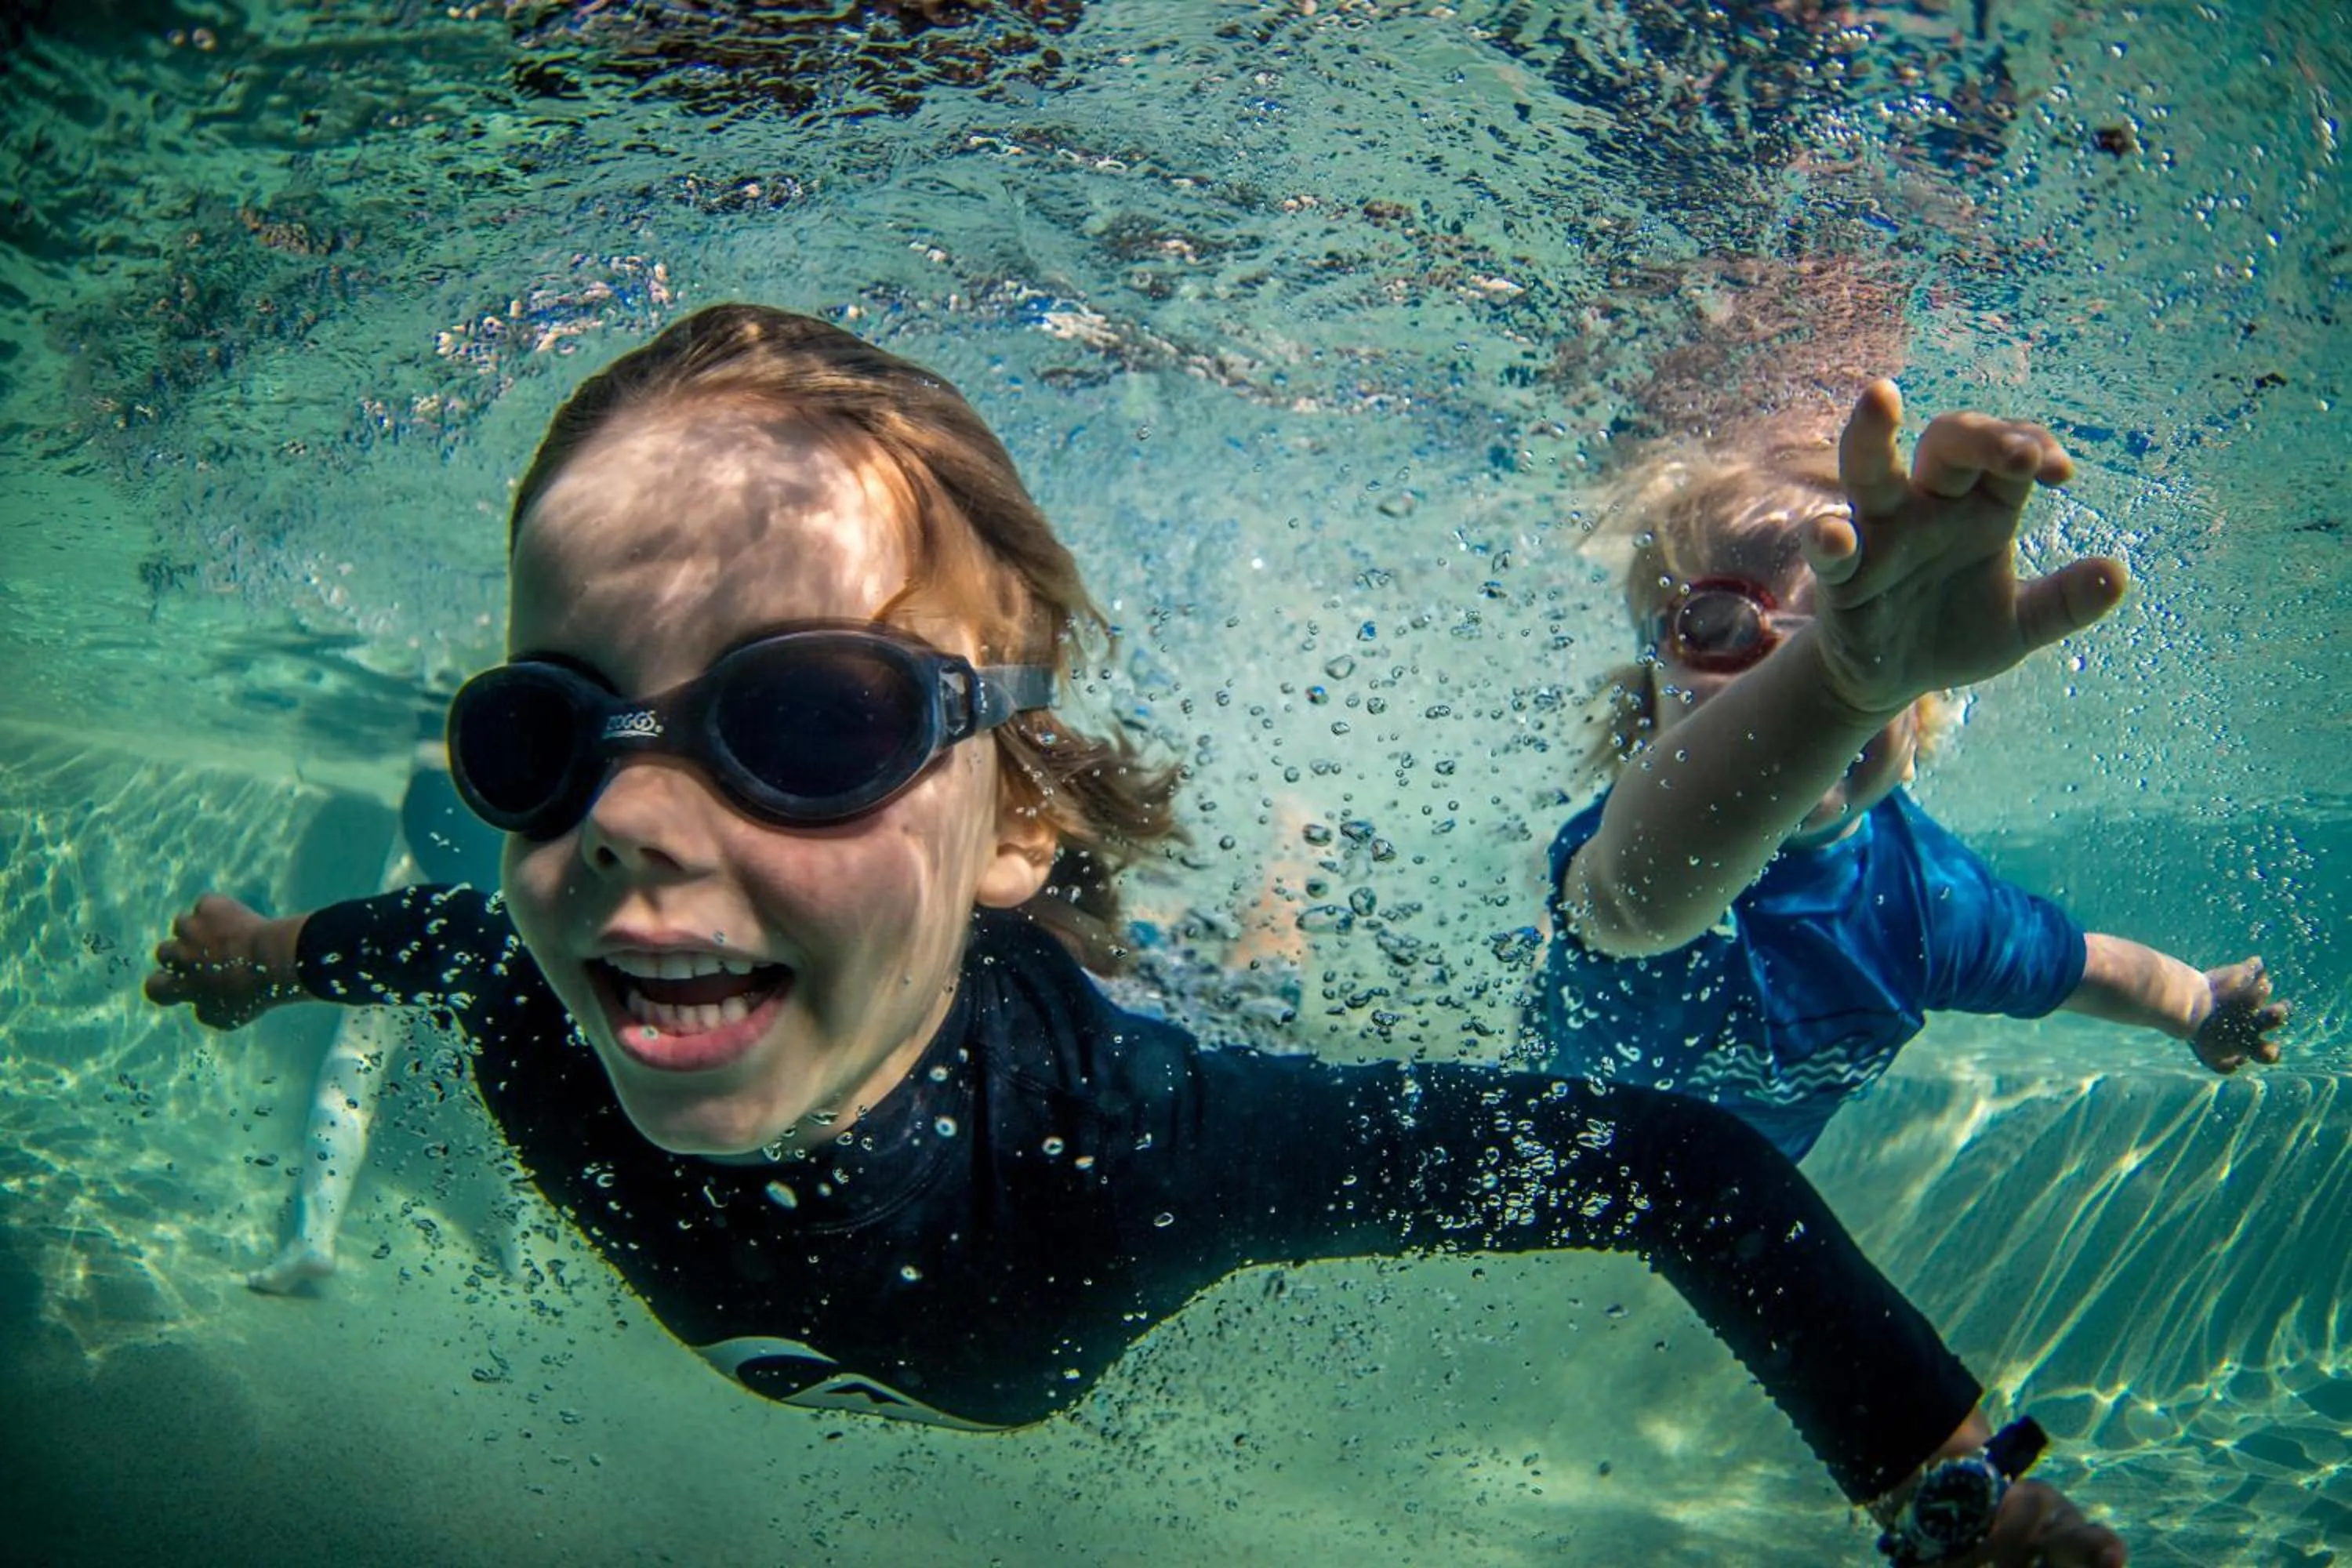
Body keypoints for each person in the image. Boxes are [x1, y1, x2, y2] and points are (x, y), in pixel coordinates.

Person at [148, 304, 2124, 1566]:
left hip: (1093, 1007)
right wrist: (260, 950)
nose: (621, 828)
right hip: (997, 934)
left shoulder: (1141, 1155)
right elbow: (423, 937)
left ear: (1004, 811)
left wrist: (1944, 1488)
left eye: (811, 721)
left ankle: (1253, 872)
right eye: (539, 738)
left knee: (1220, 984)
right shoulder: (535, 983)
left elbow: (1681, 1168)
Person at [1534, 397, 2289, 1163]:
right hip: (1561, 1162)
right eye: (1721, 626)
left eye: (1863, 634)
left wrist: (2195, 1003)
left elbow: (2076, 968)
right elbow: (1647, 896)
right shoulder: (1627, 843)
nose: (1783, 668)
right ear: (1644, 701)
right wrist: (1837, 690)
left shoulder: (1928, 895)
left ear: (1919, 715)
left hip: (1741, 1191)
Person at [247, 727, 504, 1293]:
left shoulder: (443, 726)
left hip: (435, 851)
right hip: (516, 863)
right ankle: (511, 1235)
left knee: (358, 1053)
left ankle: (313, 1238)